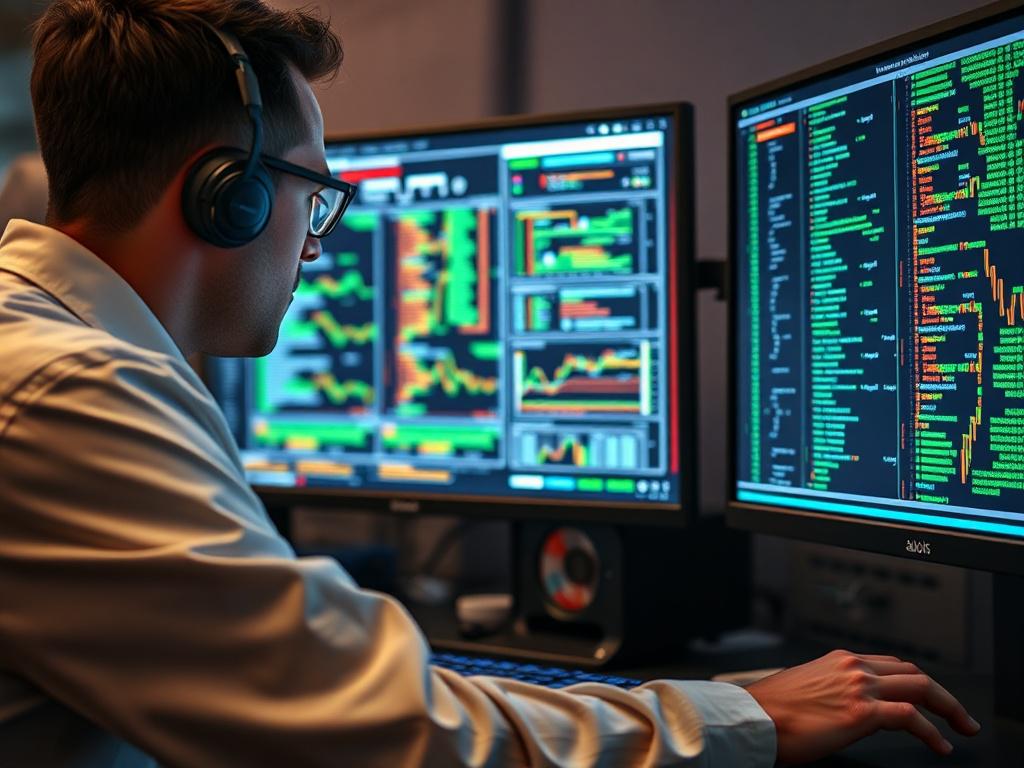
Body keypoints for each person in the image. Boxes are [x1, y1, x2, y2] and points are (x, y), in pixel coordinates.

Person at [0, 1, 980, 766]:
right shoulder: (65, 393)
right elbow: (382, 736)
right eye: (316, 195)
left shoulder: (55, 351)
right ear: (226, 197)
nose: (314, 242)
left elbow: (356, 698)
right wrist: (744, 715)